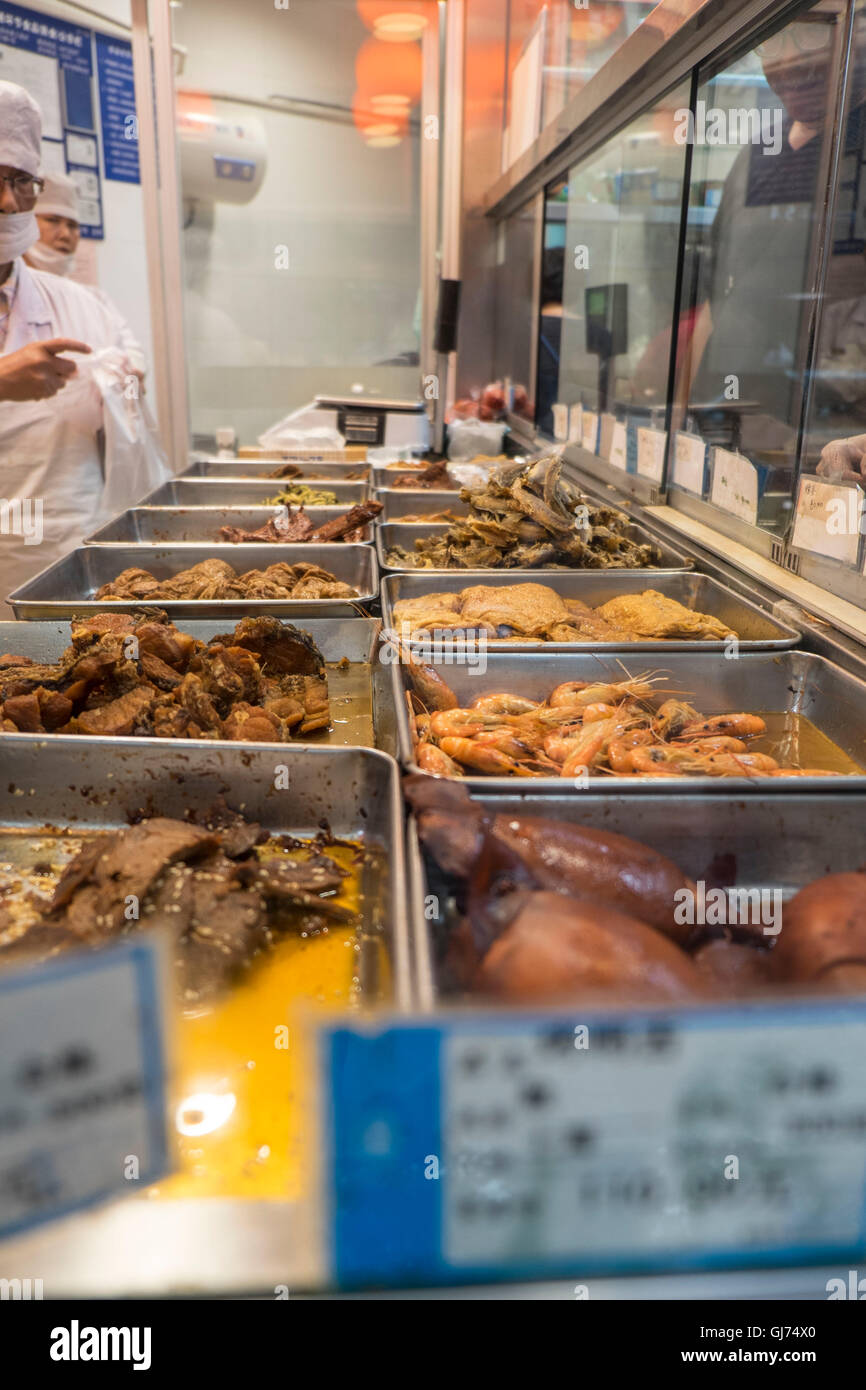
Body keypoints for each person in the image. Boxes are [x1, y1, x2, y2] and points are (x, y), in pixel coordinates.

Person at [0, 81, 146, 615]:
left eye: (21, 181)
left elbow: (133, 386)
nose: (8, 201)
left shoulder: (81, 304)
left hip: (67, 553)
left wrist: (124, 385)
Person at [24, 171, 146, 378]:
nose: (65, 234)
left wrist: (129, 375)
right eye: (53, 220)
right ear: (25, 223)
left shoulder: (93, 300)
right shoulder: (10, 293)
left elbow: (134, 358)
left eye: (72, 225)